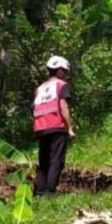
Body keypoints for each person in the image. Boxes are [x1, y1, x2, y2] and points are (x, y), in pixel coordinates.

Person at [32, 55, 76, 196]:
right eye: (65, 71)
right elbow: (63, 106)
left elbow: (33, 108)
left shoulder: (40, 88)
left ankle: (39, 191)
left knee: (43, 162)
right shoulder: (61, 85)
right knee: (56, 160)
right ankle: (49, 192)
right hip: (57, 126)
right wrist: (69, 127)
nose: (66, 75)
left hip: (41, 127)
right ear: (59, 71)